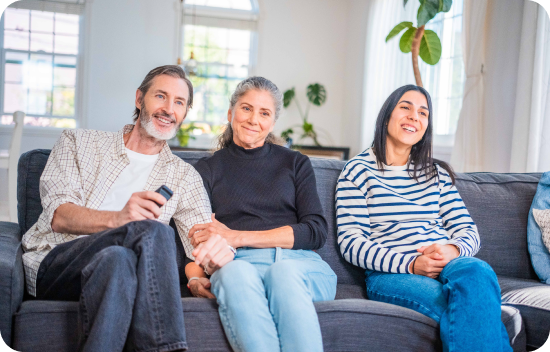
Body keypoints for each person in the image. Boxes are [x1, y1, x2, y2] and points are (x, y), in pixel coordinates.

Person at [21, 65, 234, 352]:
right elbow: (59, 215)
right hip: (57, 261)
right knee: (154, 231)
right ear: (139, 99)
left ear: (184, 113)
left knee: (118, 261)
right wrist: (121, 218)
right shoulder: (79, 142)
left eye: (179, 102)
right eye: (161, 96)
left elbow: (201, 241)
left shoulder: (184, 176)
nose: (169, 109)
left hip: (116, 267)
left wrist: (206, 269)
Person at [335, 85, 512, 351]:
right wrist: (412, 264)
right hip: (393, 273)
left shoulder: (435, 174)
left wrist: (452, 249)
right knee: (467, 308)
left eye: (423, 113)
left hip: (447, 264)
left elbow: (467, 229)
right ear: (386, 117)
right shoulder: (358, 171)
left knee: (478, 270)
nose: (414, 117)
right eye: (405, 107)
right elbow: (352, 242)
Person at [184, 76, 337, 352]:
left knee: (283, 274)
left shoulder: (295, 163)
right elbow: (191, 240)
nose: (254, 119)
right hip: (238, 265)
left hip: (299, 264)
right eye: (246, 108)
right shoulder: (207, 170)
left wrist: (236, 236)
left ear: (272, 123)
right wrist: (194, 278)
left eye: (264, 113)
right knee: (235, 274)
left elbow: (315, 231)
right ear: (231, 113)